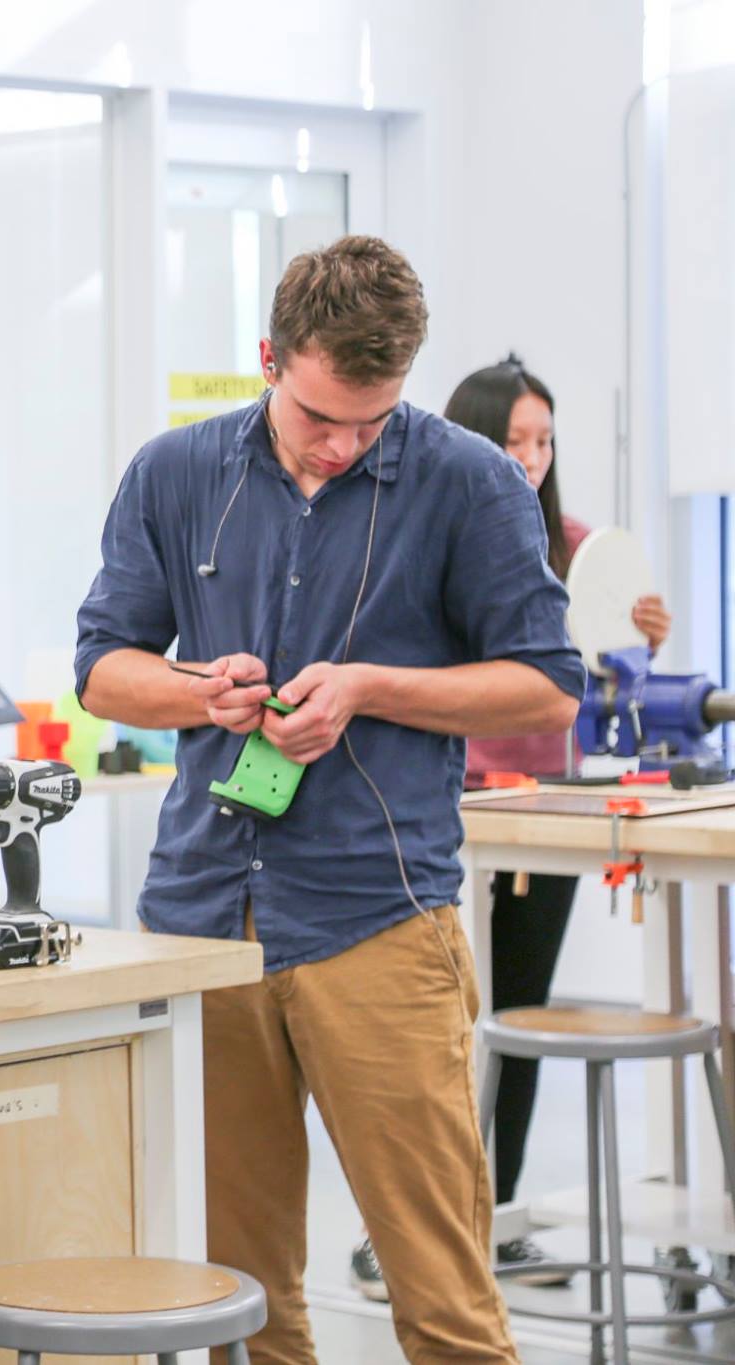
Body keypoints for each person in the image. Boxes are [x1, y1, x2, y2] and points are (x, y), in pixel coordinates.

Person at [75, 237, 585, 1364]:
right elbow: (104, 667)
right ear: (268, 358)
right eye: (318, 418)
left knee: (443, 1302)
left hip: (377, 919)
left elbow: (548, 687)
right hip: (203, 923)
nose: (344, 444)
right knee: (239, 1305)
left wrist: (367, 689)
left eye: (372, 418)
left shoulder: (467, 481)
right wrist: (198, 692)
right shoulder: (174, 475)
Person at [347, 356, 670, 1299]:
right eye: (513, 440)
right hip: (447, 817)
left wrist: (641, 641)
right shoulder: (425, 535)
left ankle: (500, 1218)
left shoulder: (574, 545)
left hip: (548, 817)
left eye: (544, 440)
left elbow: (595, 685)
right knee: (428, 1040)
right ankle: (408, 1237)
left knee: (516, 1019)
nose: (530, 458)